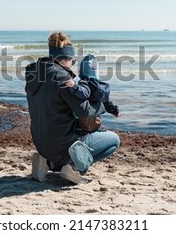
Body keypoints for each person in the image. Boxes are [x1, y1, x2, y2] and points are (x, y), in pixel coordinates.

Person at [25, 31, 120, 184]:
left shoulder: (35, 74)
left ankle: (46, 162)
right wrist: (103, 105)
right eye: (73, 62)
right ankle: (73, 168)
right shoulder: (61, 76)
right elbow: (84, 111)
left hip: (41, 142)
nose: (72, 67)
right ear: (67, 60)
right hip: (60, 145)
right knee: (113, 140)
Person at [66, 54, 119, 132]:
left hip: (85, 120)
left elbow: (84, 93)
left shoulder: (84, 83)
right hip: (97, 120)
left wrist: (74, 86)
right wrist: (114, 111)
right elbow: (107, 102)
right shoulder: (100, 87)